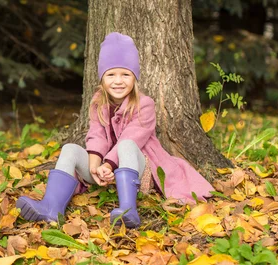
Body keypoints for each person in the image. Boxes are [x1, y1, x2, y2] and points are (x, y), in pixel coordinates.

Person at [16, 32, 215, 228]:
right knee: (69, 149)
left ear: (135, 77)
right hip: (104, 169)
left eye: (125, 75)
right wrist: (95, 165)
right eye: (111, 74)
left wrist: (109, 165)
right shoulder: (97, 102)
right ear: (102, 78)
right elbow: (96, 134)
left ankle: (128, 211)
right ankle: (51, 208)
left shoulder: (144, 104)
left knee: (127, 144)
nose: (118, 81)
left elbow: (132, 137)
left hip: (136, 169)